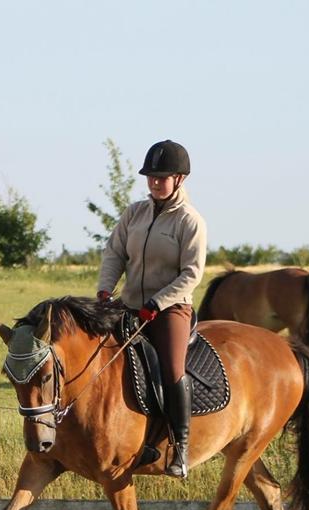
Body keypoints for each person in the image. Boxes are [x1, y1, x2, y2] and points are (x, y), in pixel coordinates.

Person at [97, 139, 207, 478]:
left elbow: (192, 274)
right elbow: (115, 252)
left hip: (170, 310)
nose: (155, 183)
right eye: (151, 177)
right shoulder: (135, 213)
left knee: (171, 370)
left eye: (162, 177)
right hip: (129, 305)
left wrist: (157, 303)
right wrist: (105, 288)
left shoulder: (190, 221)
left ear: (180, 179)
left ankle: (181, 447)